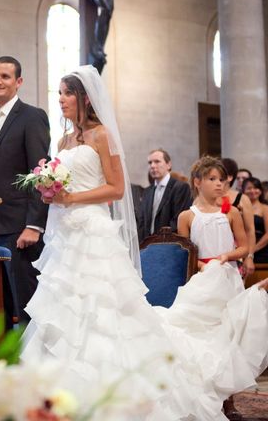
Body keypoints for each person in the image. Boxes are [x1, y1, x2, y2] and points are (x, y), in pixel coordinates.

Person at [21, 66, 268, 420]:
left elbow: (116, 189)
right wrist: (50, 191)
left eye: (66, 93)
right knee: (62, 309)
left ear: (84, 98)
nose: (60, 99)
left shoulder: (102, 135)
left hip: (93, 232)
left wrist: (71, 199)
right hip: (67, 236)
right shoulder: (61, 143)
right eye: (59, 92)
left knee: (101, 311)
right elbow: (63, 183)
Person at [0, 56, 50, 328]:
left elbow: (40, 174)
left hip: (19, 227)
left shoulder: (31, 117)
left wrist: (34, 224)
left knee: (23, 299)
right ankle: (2, 363)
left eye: (4, 76)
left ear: (19, 82)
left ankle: (29, 362)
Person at [137, 148, 192, 243]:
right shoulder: (147, 191)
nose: (153, 166)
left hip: (170, 243)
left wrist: (160, 240)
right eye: (150, 163)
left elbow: (178, 220)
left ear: (168, 165)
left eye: (157, 161)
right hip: (147, 246)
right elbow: (142, 222)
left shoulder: (180, 187)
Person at [221, 158, 256, 278]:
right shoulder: (208, 198)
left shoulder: (242, 199)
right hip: (215, 252)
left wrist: (249, 257)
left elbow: (250, 230)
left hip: (237, 252)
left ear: (229, 177)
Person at [242, 177, 268, 264]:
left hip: (261, 249)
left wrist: (252, 250)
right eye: (249, 188)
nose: (253, 191)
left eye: (256, 188)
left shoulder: (265, 208)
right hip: (241, 248)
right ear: (243, 190)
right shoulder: (238, 207)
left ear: (260, 191)